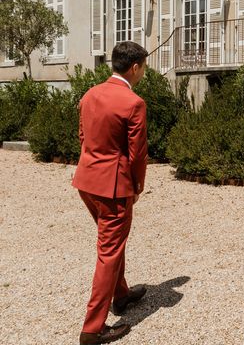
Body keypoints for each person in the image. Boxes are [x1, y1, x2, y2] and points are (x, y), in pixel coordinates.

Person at [72, 41, 149, 345]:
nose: (143, 72)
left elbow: (82, 136)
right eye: (143, 67)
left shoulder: (90, 94)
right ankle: (93, 328)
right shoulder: (134, 103)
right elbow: (137, 153)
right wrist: (137, 186)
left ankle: (121, 294)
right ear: (134, 68)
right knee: (109, 251)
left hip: (87, 183)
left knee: (111, 244)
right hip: (113, 188)